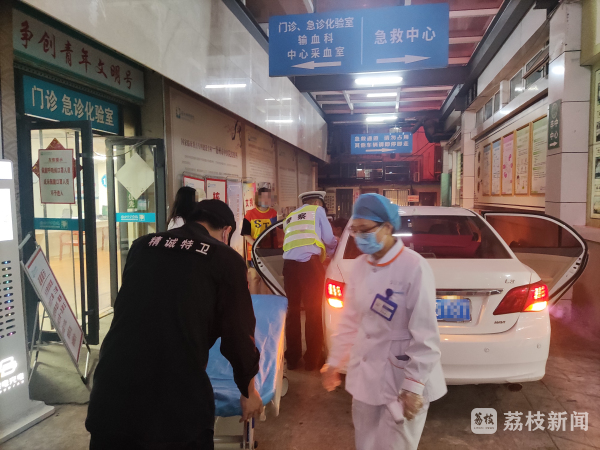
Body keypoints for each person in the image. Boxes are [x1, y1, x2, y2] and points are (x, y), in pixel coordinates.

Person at [86, 200, 263, 450]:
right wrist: (248, 390)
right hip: (175, 404)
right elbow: (239, 335)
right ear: (226, 231)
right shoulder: (225, 258)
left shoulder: (142, 245)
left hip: (110, 394)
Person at [321, 193, 446, 450]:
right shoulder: (359, 266)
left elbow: (425, 335)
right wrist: (334, 362)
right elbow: (349, 321)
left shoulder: (414, 267)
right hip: (365, 375)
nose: (359, 236)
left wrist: (414, 385)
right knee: (365, 444)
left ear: (387, 227)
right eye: (355, 230)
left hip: (402, 378)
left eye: (365, 230)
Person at [282, 191, 337, 371]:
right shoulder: (317, 211)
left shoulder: (290, 217)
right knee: (313, 311)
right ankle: (312, 360)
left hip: (289, 267)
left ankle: (292, 358)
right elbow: (328, 239)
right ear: (318, 202)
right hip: (309, 266)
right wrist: (333, 251)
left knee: (293, 311)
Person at [241, 187, 278, 294]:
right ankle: (253, 302)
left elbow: (276, 232)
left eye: (268, 197)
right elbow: (245, 234)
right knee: (254, 278)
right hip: (253, 252)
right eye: (263, 197)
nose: (266, 200)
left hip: (269, 251)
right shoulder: (250, 214)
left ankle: (264, 302)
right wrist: (255, 244)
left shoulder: (273, 213)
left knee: (266, 279)